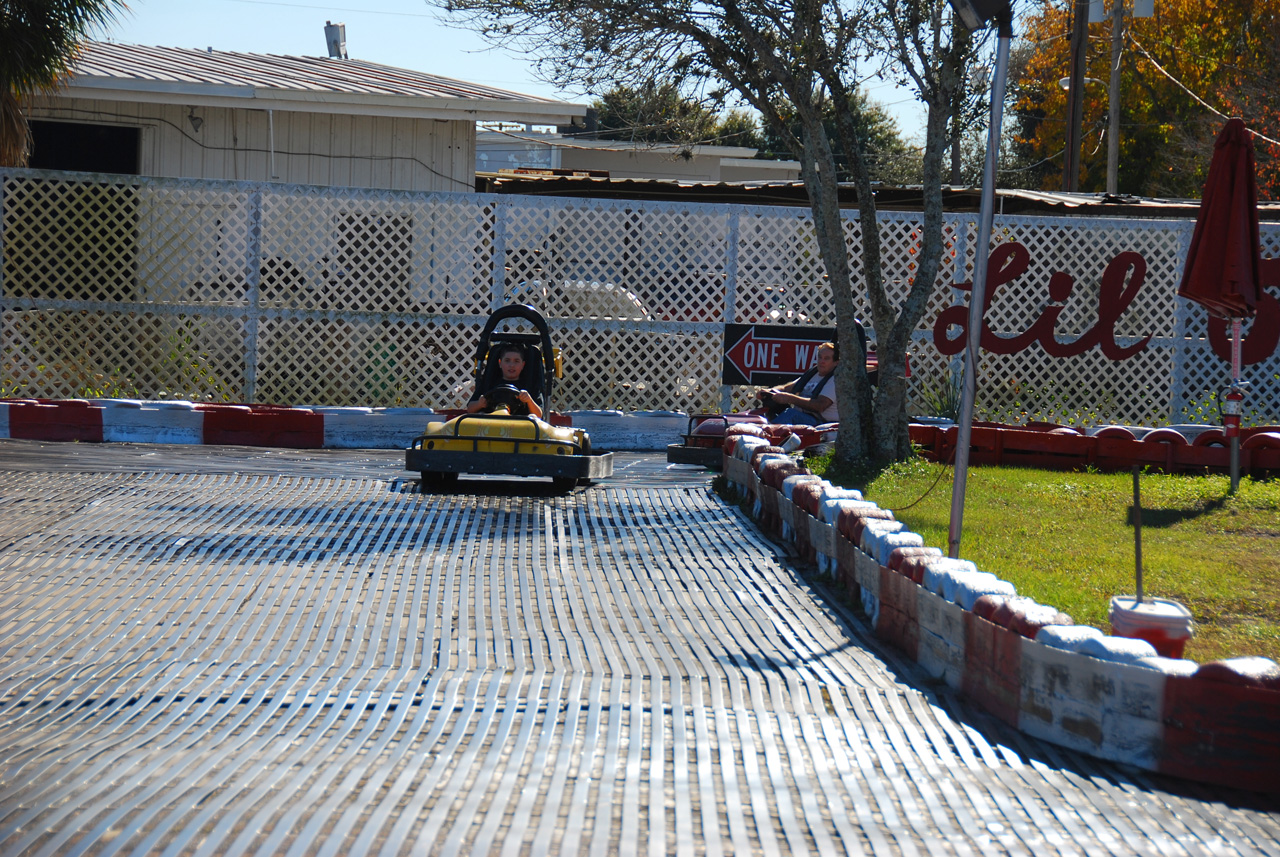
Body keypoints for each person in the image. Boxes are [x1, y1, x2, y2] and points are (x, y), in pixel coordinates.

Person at [755, 341, 838, 425]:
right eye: (820, 357)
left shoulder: (835, 380)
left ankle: (768, 434)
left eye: (826, 358)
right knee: (771, 407)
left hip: (822, 422)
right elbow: (785, 388)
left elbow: (820, 405)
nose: (821, 361)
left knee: (791, 414)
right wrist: (769, 391)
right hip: (802, 417)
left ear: (836, 362)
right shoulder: (812, 374)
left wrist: (790, 398)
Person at [466, 342, 544, 419]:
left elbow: (538, 415)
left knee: (533, 417)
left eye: (516, 361)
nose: (511, 365)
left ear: (523, 365)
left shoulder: (530, 385)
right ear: (500, 363)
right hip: (491, 425)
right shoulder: (489, 383)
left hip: (520, 426)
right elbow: (470, 409)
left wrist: (529, 401)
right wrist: (479, 404)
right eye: (507, 360)